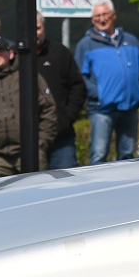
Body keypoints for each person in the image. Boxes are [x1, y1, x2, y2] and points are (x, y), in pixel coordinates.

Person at [0, 35, 57, 176]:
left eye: (0, 50)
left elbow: (48, 108)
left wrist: (42, 143)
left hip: (31, 152)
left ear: (11, 54)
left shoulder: (28, 77)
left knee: (37, 188)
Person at [75, 0, 139, 164]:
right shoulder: (85, 45)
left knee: (127, 156)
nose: (101, 19)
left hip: (129, 107)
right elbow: (81, 77)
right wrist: (99, 94)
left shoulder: (131, 41)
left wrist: (138, 93)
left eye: (105, 14)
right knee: (99, 155)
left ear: (113, 15)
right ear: (92, 20)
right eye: (97, 16)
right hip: (102, 109)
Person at [35, 12, 87, 168]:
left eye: (37, 28)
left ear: (44, 28)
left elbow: (78, 87)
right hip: (29, 140)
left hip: (61, 138)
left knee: (66, 181)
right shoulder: (16, 58)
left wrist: (67, 117)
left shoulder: (60, 52)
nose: (35, 33)